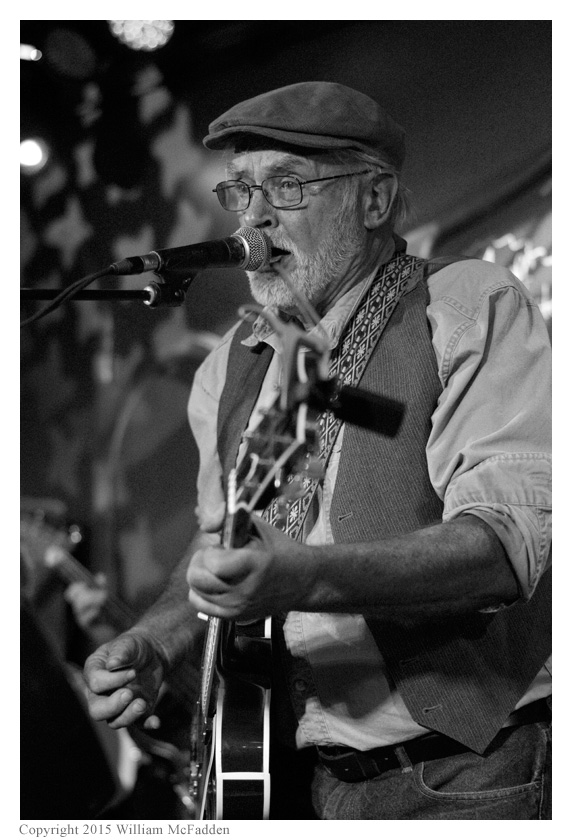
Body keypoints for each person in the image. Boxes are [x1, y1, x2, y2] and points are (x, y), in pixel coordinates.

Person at [83, 81, 552, 820]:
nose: (255, 217)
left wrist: (303, 578)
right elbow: (221, 542)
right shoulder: (229, 366)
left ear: (374, 200)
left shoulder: (466, 305)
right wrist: (157, 639)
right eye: (242, 191)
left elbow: (507, 548)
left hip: (471, 769)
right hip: (314, 783)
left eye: (288, 185)